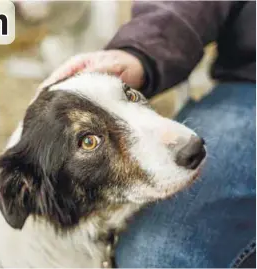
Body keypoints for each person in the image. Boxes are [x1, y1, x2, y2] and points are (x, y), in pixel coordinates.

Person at [44, 2, 256, 267]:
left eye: (130, 97)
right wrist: (139, 52)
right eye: (88, 140)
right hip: (249, 85)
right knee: (157, 254)